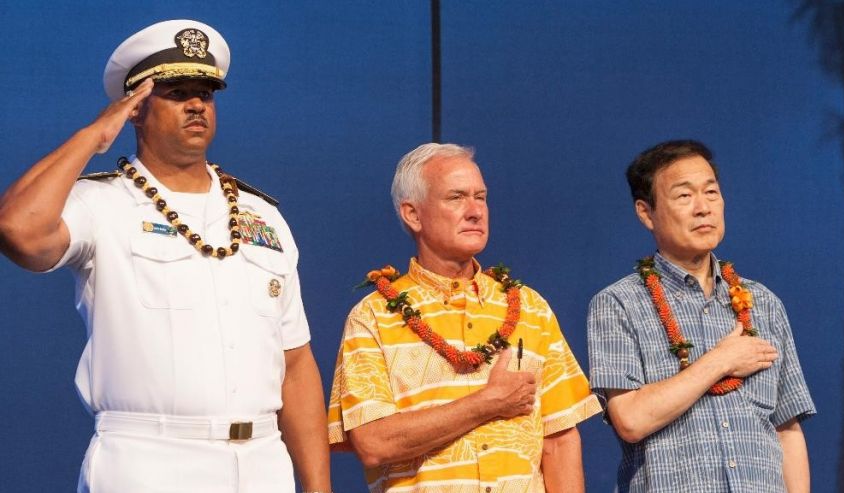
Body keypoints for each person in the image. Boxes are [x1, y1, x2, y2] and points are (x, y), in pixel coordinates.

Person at [0, 19, 331, 493]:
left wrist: (319, 488)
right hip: (149, 460)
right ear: (135, 108)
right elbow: (18, 229)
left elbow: (295, 366)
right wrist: (95, 135)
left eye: (207, 92)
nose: (197, 104)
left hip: (262, 461)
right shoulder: (101, 204)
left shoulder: (263, 217)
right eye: (176, 91)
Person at [327, 143, 601, 492]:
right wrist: (488, 403)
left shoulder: (530, 308)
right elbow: (374, 443)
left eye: (481, 197)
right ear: (413, 214)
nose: (475, 211)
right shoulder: (373, 315)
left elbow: (559, 442)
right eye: (456, 198)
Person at [586, 140, 815, 492]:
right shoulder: (618, 303)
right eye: (684, 196)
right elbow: (630, 419)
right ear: (646, 213)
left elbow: (787, 429)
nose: (703, 208)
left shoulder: (763, 303)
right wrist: (720, 361)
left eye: (712, 192)